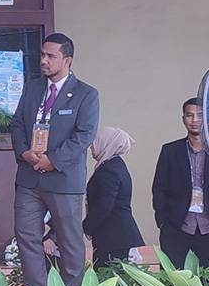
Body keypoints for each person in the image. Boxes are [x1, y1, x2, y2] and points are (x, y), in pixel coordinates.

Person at [8, 33, 98, 286]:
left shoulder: (86, 94)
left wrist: (53, 160)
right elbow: (17, 125)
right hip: (30, 176)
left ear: (67, 60)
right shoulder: (33, 88)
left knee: (69, 239)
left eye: (51, 56)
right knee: (27, 234)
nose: (43, 60)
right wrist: (25, 152)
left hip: (63, 178)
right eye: (42, 55)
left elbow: (84, 136)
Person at [153, 98, 209, 268]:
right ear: (183, 119)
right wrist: (162, 222)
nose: (195, 120)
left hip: (207, 226)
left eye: (200, 115)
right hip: (177, 226)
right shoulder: (170, 150)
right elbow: (159, 188)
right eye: (189, 115)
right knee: (173, 280)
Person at [84, 127, 144, 268]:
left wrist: (86, 226)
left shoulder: (109, 170)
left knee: (111, 282)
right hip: (116, 237)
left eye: (94, 142)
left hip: (114, 238)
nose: (91, 147)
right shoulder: (114, 165)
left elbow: (104, 206)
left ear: (106, 143)